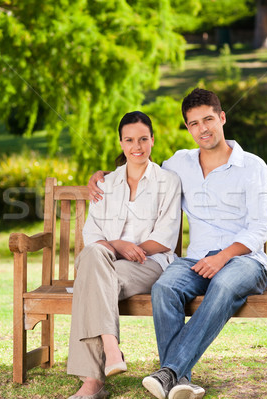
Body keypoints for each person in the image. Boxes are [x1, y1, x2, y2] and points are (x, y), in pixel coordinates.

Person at [88, 88, 267, 399]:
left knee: (224, 285)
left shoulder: (252, 166)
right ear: (187, 128)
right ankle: (179, 382)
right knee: (165, 287)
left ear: (222, 118)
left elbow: (259, 229)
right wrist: (103, 177)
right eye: (194, 123)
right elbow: (141, 168)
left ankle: (169, 371)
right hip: (196, 260)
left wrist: (224, 256)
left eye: (209, 119)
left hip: (246, 262)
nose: (204, 129)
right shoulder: (179, 164)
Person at [67, 111, 181, 399]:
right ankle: (111, 347)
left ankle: (92, 383)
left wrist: (134, 249)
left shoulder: (168, 181)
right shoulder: (105, 184)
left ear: (152, 140)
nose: (137, 146)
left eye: (143, 139)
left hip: (148, 263)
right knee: (94, 259)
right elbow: (92, 236)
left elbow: (166, 237)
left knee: (89, 282)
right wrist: (118, 245)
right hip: (106, 261)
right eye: (129, 140)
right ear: (121, 144)